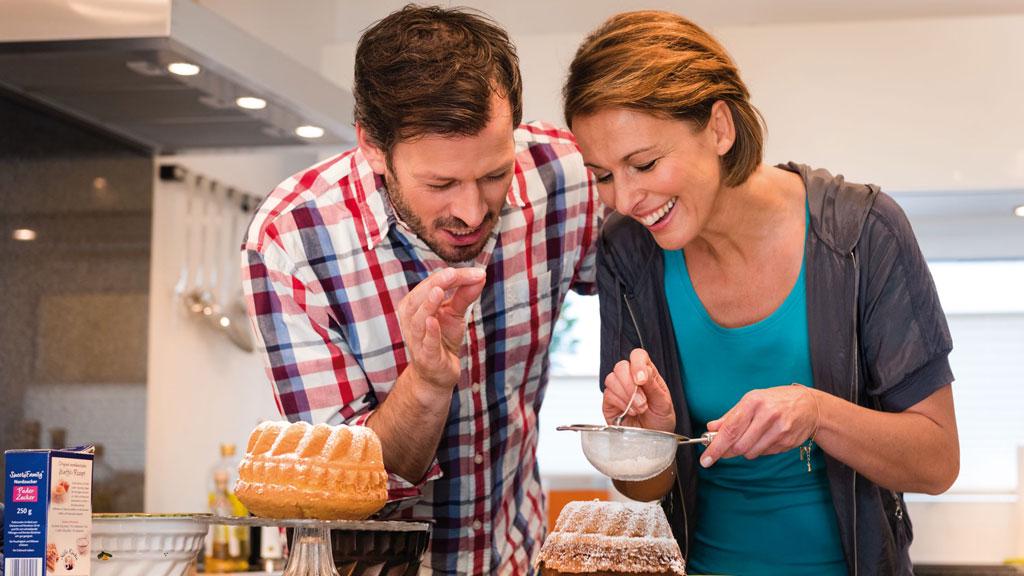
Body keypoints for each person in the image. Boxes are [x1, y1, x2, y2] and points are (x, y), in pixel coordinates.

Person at [563, 11, 959, 576]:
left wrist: (816, 413)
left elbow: (937, 462)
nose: (624, 198)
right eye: (602, 174)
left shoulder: (862, 234)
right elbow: (645, 488)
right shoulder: (630, 252)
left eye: (644, 163)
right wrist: (649, 439)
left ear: (720, 128)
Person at [242, 5, 599, 574]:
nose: (472, 210)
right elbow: (345, 493)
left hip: (519, 558)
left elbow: (653, 278)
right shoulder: (292, 240)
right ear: (373, 147)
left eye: (493, 174)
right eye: (440, 183)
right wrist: (429, 383)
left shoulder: (564, 175)